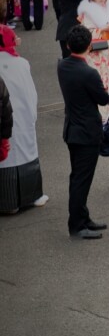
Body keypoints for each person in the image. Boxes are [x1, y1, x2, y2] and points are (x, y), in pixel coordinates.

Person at [57, 25, 109, 239]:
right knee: (81, 179)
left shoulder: (62, 65)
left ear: (68, 45)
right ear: (90, 45)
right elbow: (103, 99)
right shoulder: (89, 73)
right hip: (87, 132)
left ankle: (82, 217)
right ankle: (77, 225)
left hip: (72, 129)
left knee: (77, 177)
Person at [0, 26, 49, 214]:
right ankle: (33, 196)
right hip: (21, 115)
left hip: (3, 117)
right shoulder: (21, 63)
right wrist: (32, 115)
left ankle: (7, 202)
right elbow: (31, 93)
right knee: (26, 153)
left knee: (6, 158)